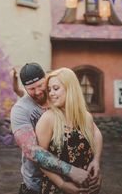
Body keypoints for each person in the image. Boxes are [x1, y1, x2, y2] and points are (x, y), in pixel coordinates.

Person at [10, 63, 102, 194]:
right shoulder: (21, 110)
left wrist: (96, 161)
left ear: (45, 79)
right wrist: (69, 173)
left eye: (40, 86)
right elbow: (31, 150)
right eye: (31, 89)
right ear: (25, 88)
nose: (37, 92)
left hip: (76, 182)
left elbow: (94, 131)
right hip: (36, 185)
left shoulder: (57, 97)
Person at [36, 68, 100, 194]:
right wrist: (63, 184)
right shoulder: (48, 118)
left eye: (55, 88)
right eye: (49, 90)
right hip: (56, 188)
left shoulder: (85, 117)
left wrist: (96, 162)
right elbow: (38, 158)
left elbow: (97, 134)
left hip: (86, 188)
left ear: (70, 88)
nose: (51, 93)